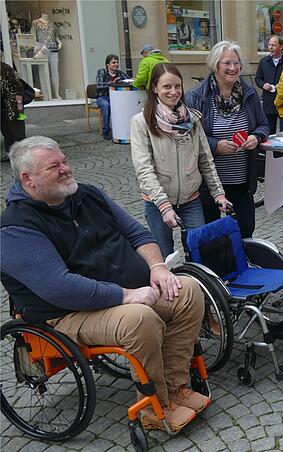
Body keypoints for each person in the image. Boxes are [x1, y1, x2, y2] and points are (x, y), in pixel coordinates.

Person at [0, 136, 211, 432]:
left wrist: (159, 267)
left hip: (123, 293)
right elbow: (59, 288)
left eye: (65, 161)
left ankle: (177, 387)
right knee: (139, 318)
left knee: (187, 290)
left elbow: (138, 234)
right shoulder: (15, 227)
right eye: (54, 166)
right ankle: (155, 407)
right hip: (66, 314)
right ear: (28, 179)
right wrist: (126, 295)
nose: (65, 169)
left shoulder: (88, 195)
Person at [130, 63, 231, 258]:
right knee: (164, 254)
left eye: (177, 86)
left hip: (191, 199)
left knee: (200, 250)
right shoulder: (141, 122)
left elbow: (205, 161)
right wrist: (164, 206)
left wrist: (218, 194)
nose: (173, 92)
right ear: (154, 88)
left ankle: (198, 287)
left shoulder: (192, 120)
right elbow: (144, 170)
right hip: (157, 202)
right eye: (167, 86)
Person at [185, 40, 269, 239]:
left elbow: (263, 125)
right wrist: (216, 146)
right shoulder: (196, 97)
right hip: (209, 184)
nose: (233, 68)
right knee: (212, 235)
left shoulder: (248, 94)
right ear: (215, 65)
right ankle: (219, 270)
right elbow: (189, 138)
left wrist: (255, 137)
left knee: (246, 229)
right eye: (227, 63)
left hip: (242, 180)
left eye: (236, 63)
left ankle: (244, 267)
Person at [255, 35, 283, 135]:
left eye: (273, 45)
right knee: (269, 133)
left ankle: (281, 151)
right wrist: (263, 84)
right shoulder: (264, 61)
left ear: (281, 47)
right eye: (269, 45)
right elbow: (258, 78)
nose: (270, 47)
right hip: (269, 102)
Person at [95, 54, 129, 140]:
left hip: (118, 98)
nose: (116, 64)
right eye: (113, 62)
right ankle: (106, 131)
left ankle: (124, 129)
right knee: (106, 106)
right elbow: (99, 85)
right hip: (103, 97)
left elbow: (129, 81)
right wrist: (112, 83)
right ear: (107, 64)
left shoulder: (120, 73)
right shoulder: (101, 72)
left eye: (117, 62)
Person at [1, 62, 27, 161]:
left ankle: (23, 156)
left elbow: (18, 87)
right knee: (6, 133)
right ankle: (10, 154)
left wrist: (19, 105)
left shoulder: (4, 68)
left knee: (17, 134)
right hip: (2, 107)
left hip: (12, 106)